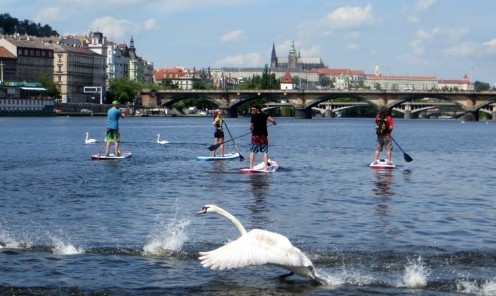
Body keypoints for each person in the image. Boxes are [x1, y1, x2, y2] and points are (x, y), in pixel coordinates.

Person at [249, 105, 276, 170]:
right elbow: (273, 121)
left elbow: (250, 127)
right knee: (265, 151)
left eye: (253, 109)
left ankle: (251, 167)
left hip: (255, 135)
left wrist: (251, 130)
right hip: (263, 135)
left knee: (252, 151)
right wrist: (274, 123)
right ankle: (265, 168)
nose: (252, 110)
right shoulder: (265, 115)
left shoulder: (253, 116)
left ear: (257, 109)